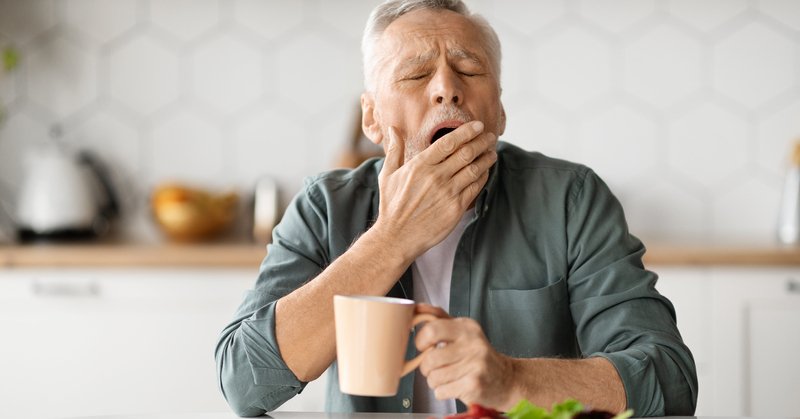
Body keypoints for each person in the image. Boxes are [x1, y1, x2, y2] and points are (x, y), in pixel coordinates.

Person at [215, 0, 698, 417]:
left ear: (499, 112)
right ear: (371, 118)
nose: (447, 88)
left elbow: (669, 379)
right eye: (415, 74)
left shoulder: (573, 200)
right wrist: (393, 237)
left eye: (469, 70)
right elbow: (244, 382)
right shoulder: (324, 206)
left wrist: (512, 380)